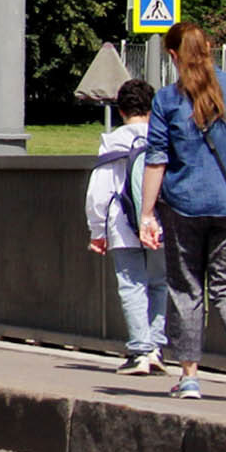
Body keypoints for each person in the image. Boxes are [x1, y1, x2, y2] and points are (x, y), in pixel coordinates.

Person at [138, 23, 226, 402]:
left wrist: (147, 213)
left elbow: (156, 161)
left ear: (172, 56)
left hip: (185, 207)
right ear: (212, 49)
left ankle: (189, 378)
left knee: (186, 288)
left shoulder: (167, 100)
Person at [86, 80, 164, 373]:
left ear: (120, 111)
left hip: (122, 223)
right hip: (159, 224)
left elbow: (99, 192)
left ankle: (139, 351)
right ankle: (156, 348)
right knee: (160, 284)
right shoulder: (163, 139)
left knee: (132, 286)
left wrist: (97, 231)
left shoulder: (114, 142)